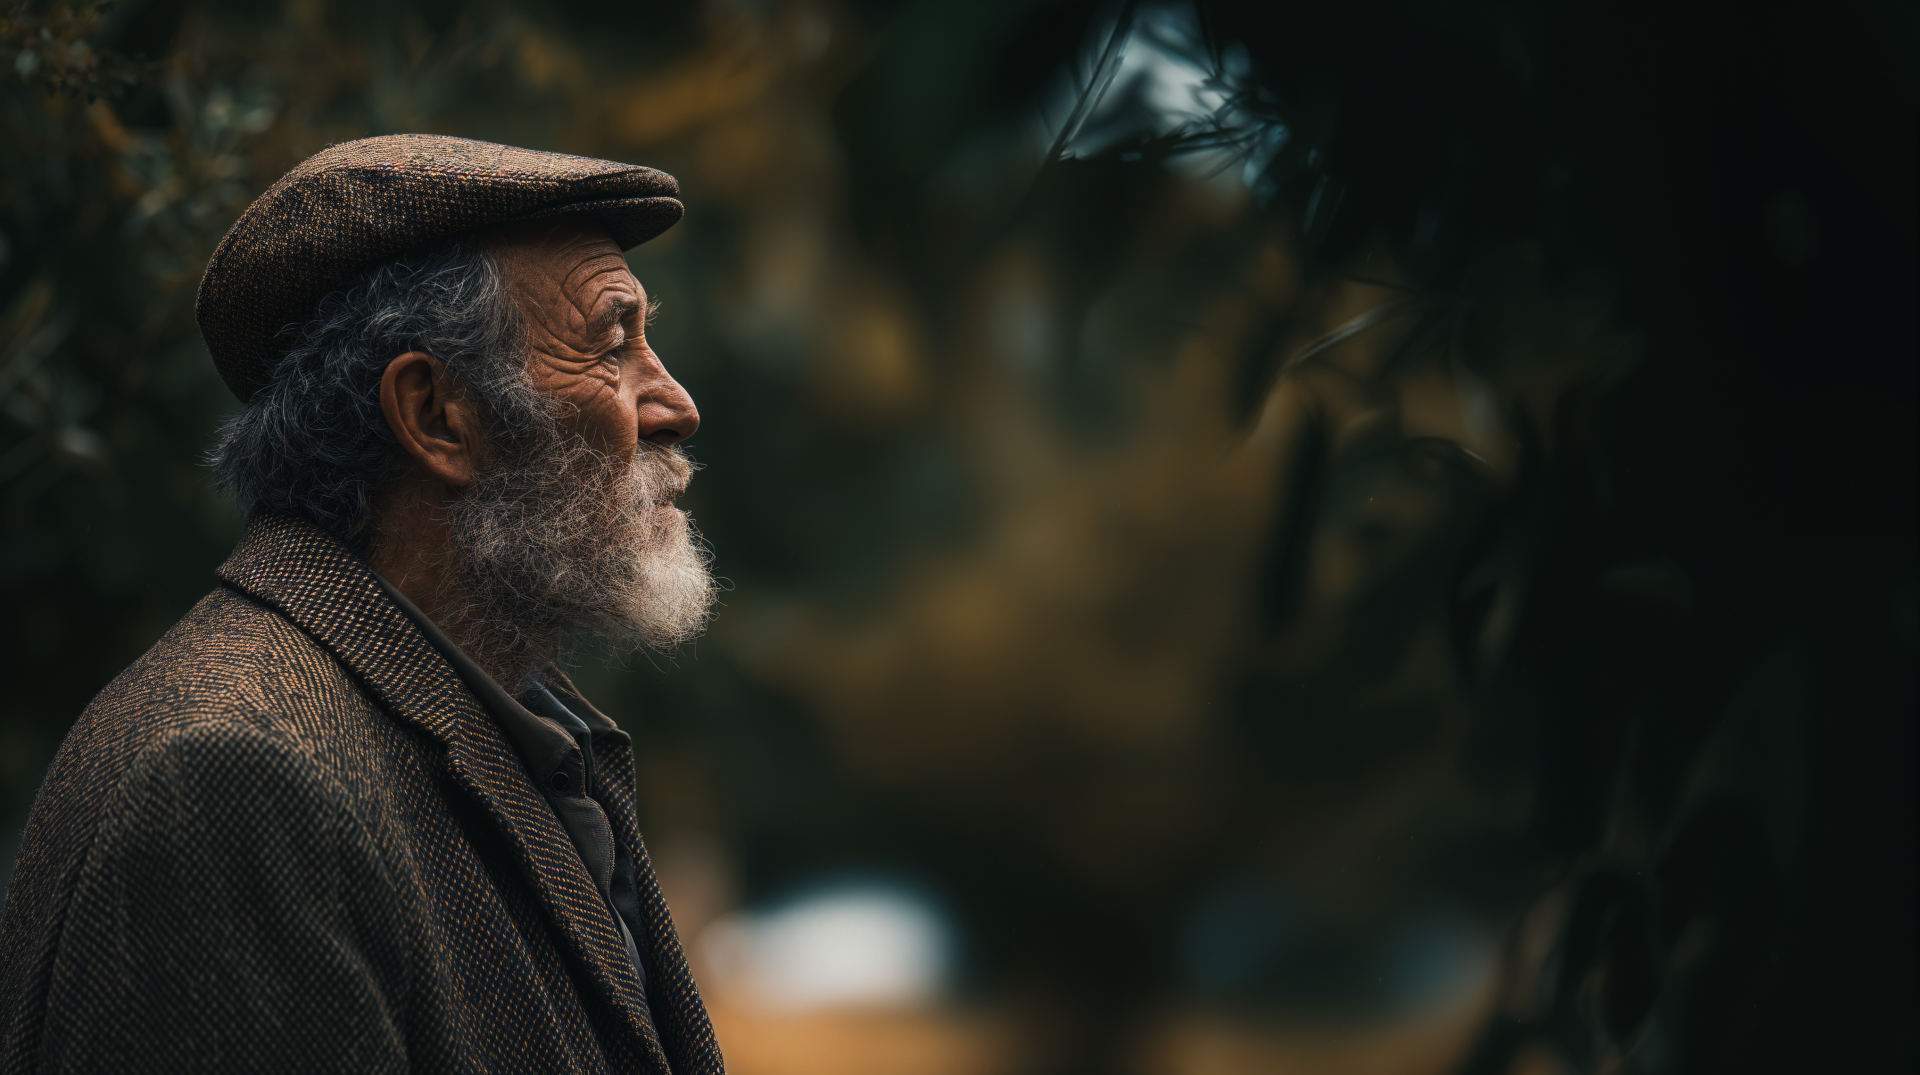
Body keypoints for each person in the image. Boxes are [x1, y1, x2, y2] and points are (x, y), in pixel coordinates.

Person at [0, 134, 725, 1074]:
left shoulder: (492, 728)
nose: (676, 402)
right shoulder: (235, 775)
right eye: (612, 342)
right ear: (434, 414)